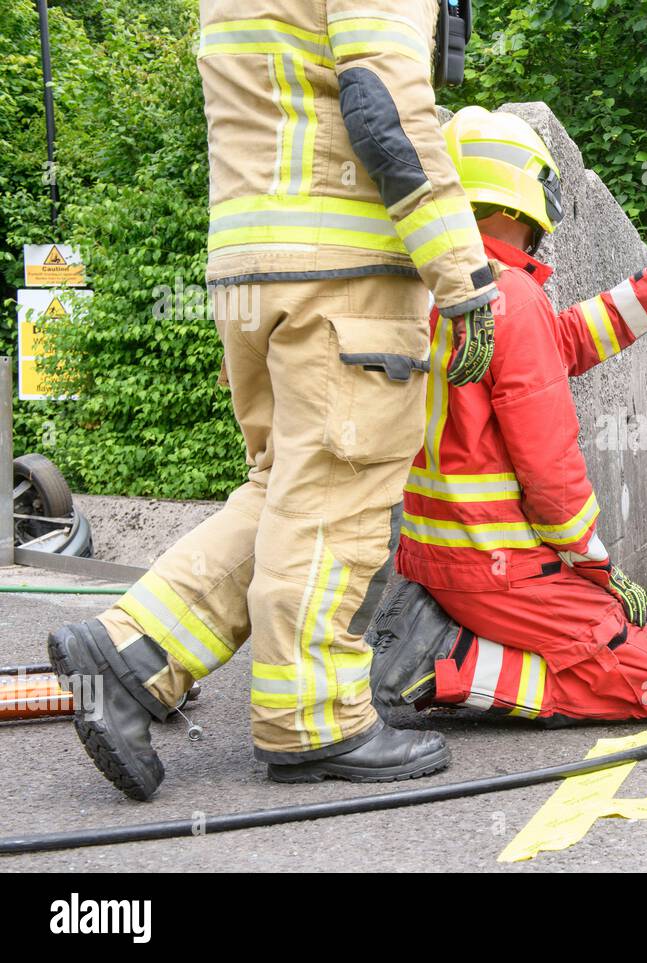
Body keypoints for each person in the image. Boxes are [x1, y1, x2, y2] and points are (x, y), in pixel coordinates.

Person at [46, 0, 498, 800]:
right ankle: (314, 722)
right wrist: (462, 274)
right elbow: (382, 100)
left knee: (288, 488)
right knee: (336, 504)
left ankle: (131, 652)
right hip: (343, 268)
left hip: (251, 262)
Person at [368, 106, 647, 723]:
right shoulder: (513, 295)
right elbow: (551, 471)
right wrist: (599, 568)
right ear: (514, 200)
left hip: (437, 552)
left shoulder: (443, 289)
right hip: (494, 564)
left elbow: (555, 343)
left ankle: (436, 626)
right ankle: (442, 660)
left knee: (613, 640)